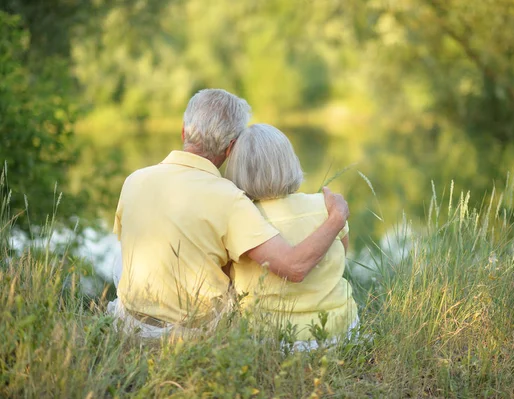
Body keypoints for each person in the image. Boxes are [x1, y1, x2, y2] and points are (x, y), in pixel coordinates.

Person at [110, 89, 349, 338]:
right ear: (231, 147)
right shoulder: (230, 198)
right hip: (190, 334)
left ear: (183, 131)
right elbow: (293, 267)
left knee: (124, 259)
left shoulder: (134, 180)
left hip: (129, 323)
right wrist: (336, 218)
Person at [226, 123, 358, 350]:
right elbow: (341, 256)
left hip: (272, 338)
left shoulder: (239, 218)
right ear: (289, 162)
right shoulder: (326, 206)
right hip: (342, 330)